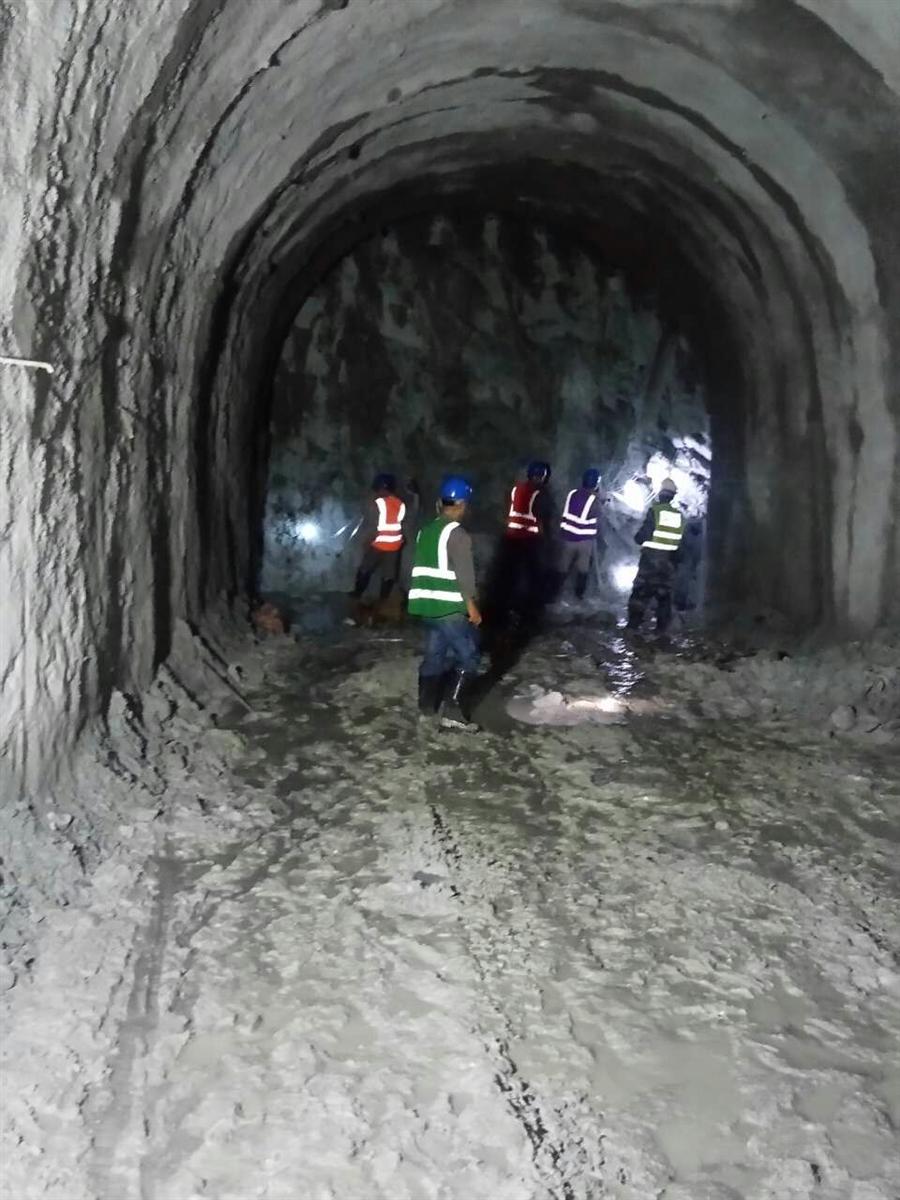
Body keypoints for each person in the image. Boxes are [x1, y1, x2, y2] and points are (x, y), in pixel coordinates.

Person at [407, 475, 482, 730]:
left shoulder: (425, 531)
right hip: (448, 607)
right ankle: (453, 714)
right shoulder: (457, 534)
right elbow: (465, 576)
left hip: (426, 607)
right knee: (469, 657)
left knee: (434, 656)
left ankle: (426, 710)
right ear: (461, 504)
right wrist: (471, 607)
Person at [493, 459, 553, 623]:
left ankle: (504, 606)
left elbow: (507, 510)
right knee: (531, 575)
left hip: (510, 537)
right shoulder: (540, 493)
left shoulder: (516, 488)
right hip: (529, 539)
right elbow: (543, 518)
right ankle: (528, 610)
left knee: (509, 573)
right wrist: (546, 540)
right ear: (542, 476)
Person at [626, 477, 685, 634]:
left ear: (660, 494)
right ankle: (661, 630)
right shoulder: (679, 516)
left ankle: (633, 626)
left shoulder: (655, 511)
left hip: (650, 560)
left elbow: (645, 534)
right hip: (668, 562)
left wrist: (637, 538)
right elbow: (681, 543)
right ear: (673, 496)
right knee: (664, 595)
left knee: (641, 591)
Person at [351, 473, 407, 604]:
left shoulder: (377, 503)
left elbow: (373, 526)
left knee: (365, 568)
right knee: (389, 574)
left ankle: (357, 594)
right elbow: (402, 522)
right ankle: (383, 601)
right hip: (395, 545)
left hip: (379, 543)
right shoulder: (400, 504)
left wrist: (366, 541)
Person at [555, 468, 603, 600]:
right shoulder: (594, 500)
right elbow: (598, 518)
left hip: (567, 537)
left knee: (563, 566)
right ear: (596, 483)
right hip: (584, 541)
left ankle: (554, 592)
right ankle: (578, 595)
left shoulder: (572, 493)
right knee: (583, 569)